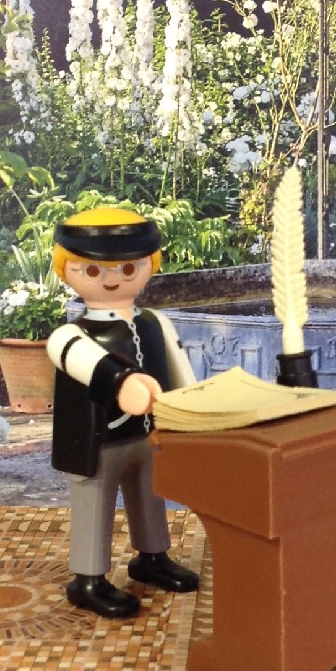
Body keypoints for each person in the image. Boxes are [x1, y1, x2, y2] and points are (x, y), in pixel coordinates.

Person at [47, 206, 199, 619]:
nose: (112, 278)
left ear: (150, 265)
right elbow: (81, 360)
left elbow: (180, 369)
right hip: (97, 441)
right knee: (94, 502)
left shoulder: (156, 322)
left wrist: (194, 409)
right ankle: (88, 578)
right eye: (93, 270)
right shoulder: (71, 334)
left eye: (128, 268)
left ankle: (152, 556)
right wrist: (121, 382)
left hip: (148, 434)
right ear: (66, 269)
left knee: (151, 494)